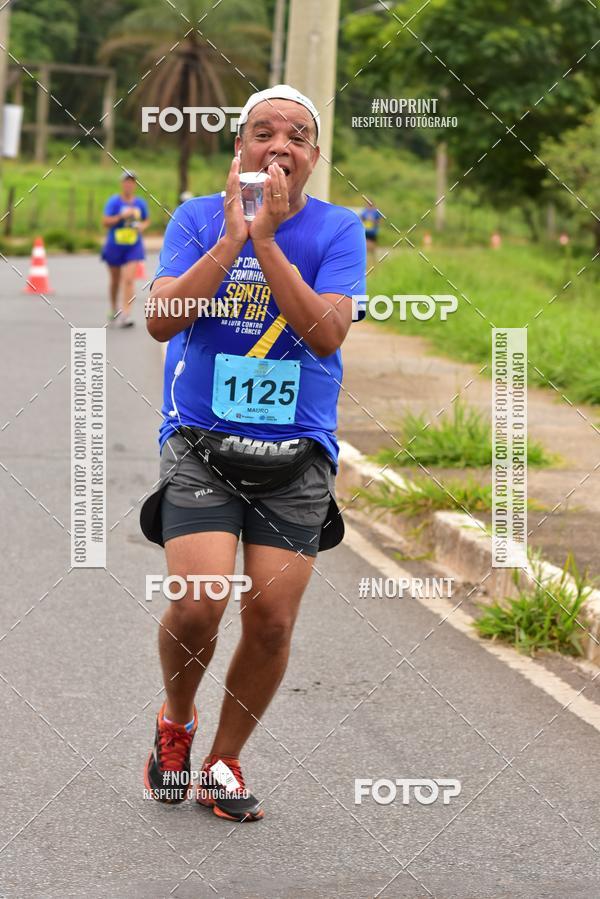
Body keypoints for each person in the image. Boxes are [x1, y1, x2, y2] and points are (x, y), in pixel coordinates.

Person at [140, 84, 366, 822]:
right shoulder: (196, 217)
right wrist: (233, 237)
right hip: (201, 444)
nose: (279, 146)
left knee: (269, 619)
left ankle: (224, 761)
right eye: (263, 132)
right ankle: (176, 722)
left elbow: (326, 334)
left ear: (313, 156)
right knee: (200, 602)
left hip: (296, 454)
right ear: (239, 147)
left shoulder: (338, 230)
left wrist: (267, 241)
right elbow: (162, 320)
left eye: (297, 135)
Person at [101, 171, 150, 327]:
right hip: (114, 246)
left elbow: (146, 220)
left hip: (133, 246)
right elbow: (105, 222)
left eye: (132, 182)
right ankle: (114, 308)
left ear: (135, 185)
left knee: (128, 280)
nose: (129, 185)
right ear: (122, 184)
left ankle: (126, 314)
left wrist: (142, 226)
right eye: (126, 182)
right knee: (115, 281)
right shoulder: (114, 202)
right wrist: (121, 217)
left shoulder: (140, 203)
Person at [360, 198, 383, 264]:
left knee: (372, 247)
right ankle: (367, 261)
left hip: (373, 231)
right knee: (366, 246)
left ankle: (374, 260)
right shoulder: (364, 212)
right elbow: (361, 219)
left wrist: (373, 221)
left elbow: (379, 221)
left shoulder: (375, 212)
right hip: (366, 231)